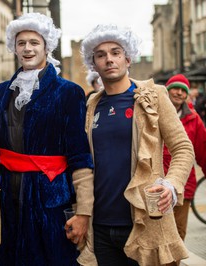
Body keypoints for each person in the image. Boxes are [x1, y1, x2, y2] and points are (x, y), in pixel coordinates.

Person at [81, 24, 195, 265]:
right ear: (94, 64)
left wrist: (172, 185)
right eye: (101, 55)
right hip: (100, 226)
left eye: (115, 52)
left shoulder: (155, 95)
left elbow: (183, 148)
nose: (109, 59)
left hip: (145, 222)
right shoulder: (91, 104)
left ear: (128, 58)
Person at [0, 13, 94, 266]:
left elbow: (80, 156)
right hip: (8, 200)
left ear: (47, 47)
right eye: (21, 43)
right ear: (14, 48)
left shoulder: (68, 92)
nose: (27, 48)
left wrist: (83, 212)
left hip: (50, 200)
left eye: (34, 42)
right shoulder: (2, 92)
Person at [163, 74, 206, 244]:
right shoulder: (153, 113)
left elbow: (203, 150)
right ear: (167, 90)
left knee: (177, 237)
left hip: (182, 186)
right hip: (156, 186)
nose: (179, 93)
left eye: (183, 90)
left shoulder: (194, 119)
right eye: (175, 88)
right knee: (157, 238)